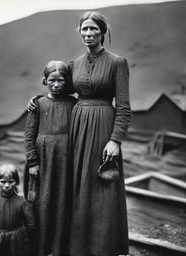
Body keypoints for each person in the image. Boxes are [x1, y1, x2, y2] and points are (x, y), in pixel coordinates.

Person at [28, 11, 131, 256]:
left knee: (100, 186)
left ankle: (102, 247)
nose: (88, 34)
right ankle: (76, 246)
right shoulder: (75, 63)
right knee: (76, 186)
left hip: (102, 127)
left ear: (103, 31)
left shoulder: (117, 62)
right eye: (84, 29)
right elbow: (59, 88)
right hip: (77, 129)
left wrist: (115, 140)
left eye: (93, 29)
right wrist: (37, 98)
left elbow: (124, 107)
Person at [24, 60, 77, 256]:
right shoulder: (38, 104)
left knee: (62, 202)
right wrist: (33, 162)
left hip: (65, 161)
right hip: (43, 160)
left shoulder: (73, 104)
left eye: (60, 80)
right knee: (41, 202)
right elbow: (29, 135)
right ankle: (40, 248)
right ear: (45, 80)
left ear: (67, 82)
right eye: (51, 80)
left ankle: (59, 248)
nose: (56, 85)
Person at [0, 164, 35, 256]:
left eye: (11, 181)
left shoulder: (23, 203)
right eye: (3, 181)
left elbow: (31, 226)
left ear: (16, 182)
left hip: (18, 242)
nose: (7, 185)